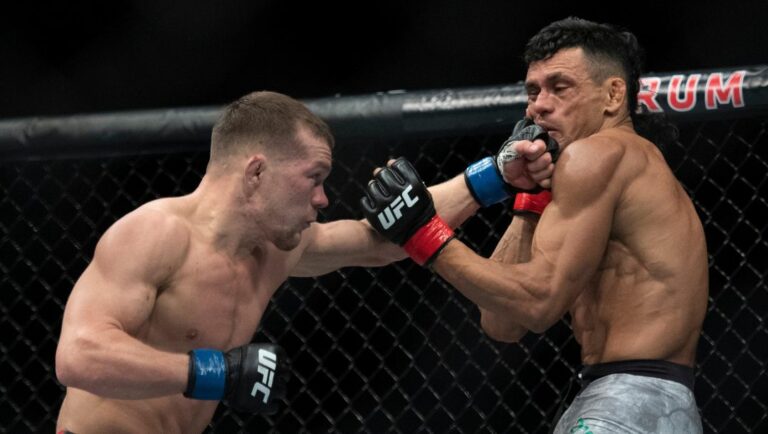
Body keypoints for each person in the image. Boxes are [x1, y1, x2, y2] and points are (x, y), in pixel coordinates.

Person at [54, 90, 555, 433]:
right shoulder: (157, 233)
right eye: (313, 178)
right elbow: (79, 356)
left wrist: (494, 177)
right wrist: (214, 373)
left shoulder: (276, 248)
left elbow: (379, 239)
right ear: (256, 171)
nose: (322, 199)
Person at [361, 17, 708, 433]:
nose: (538, 106)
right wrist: (530, 196)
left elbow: (539, 303)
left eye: (560, 87)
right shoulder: (616, 166)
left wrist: (423, 233)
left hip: (630, 401)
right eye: (532, 91)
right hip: (636, 400)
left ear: (613, 95)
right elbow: (502, 323)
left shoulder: (599, 155)